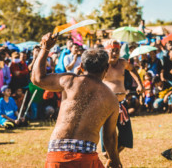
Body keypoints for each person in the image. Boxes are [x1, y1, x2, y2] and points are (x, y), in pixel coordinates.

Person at [31, 33, 121, 167]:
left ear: (82, 66)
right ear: (106, 68)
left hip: (57, 153)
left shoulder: (70, 81)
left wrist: (45, 48)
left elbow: (37, 79)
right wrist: (115, 161)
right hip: (85, 156)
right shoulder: (111, 98)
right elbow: (110, 138)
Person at [102, 39, 143, 156]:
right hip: (106, 105)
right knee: (108, 135)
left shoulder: (123, 63)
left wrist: (140, 84)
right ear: (106, 52)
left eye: (117, 51)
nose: (115, 53)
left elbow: (133, 69)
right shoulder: (102, 65)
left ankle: (111, 157)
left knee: (126, 137)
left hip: (122, 104)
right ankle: (112, 157)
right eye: (112, 51)